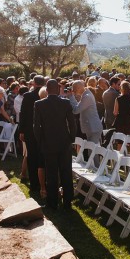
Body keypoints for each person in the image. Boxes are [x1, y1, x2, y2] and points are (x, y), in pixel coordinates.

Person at [33, 79, 77, 210]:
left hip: (48, 142)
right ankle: (67, 201)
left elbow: (36, 126)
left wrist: (40, 141)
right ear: (58, 90)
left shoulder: (39, 104)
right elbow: (72, 123)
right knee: (66, 172)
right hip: (64, 142)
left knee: (51, 174)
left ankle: (52, 202)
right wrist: (71, 138)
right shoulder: (65, 103)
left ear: (46, 90)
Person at [20, 75, 46, 195]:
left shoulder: (28, 96)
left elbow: (23, 114)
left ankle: (34, 182)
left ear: (34, 83)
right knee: (42, 155)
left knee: (31, 156)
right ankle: (44, 182)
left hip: (30, 130)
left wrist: (21, 131)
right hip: (43, 131)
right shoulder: (45, 94)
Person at [68, 80, 104, 144]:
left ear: (79, 88)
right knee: (92, 151)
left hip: (94, 128)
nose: (73, 91)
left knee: (92, 151)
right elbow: (78, 107)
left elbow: (76, 110)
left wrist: (71, 97)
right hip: (92, 128)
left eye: (74, 89)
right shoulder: (86, 95)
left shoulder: (87, 96)